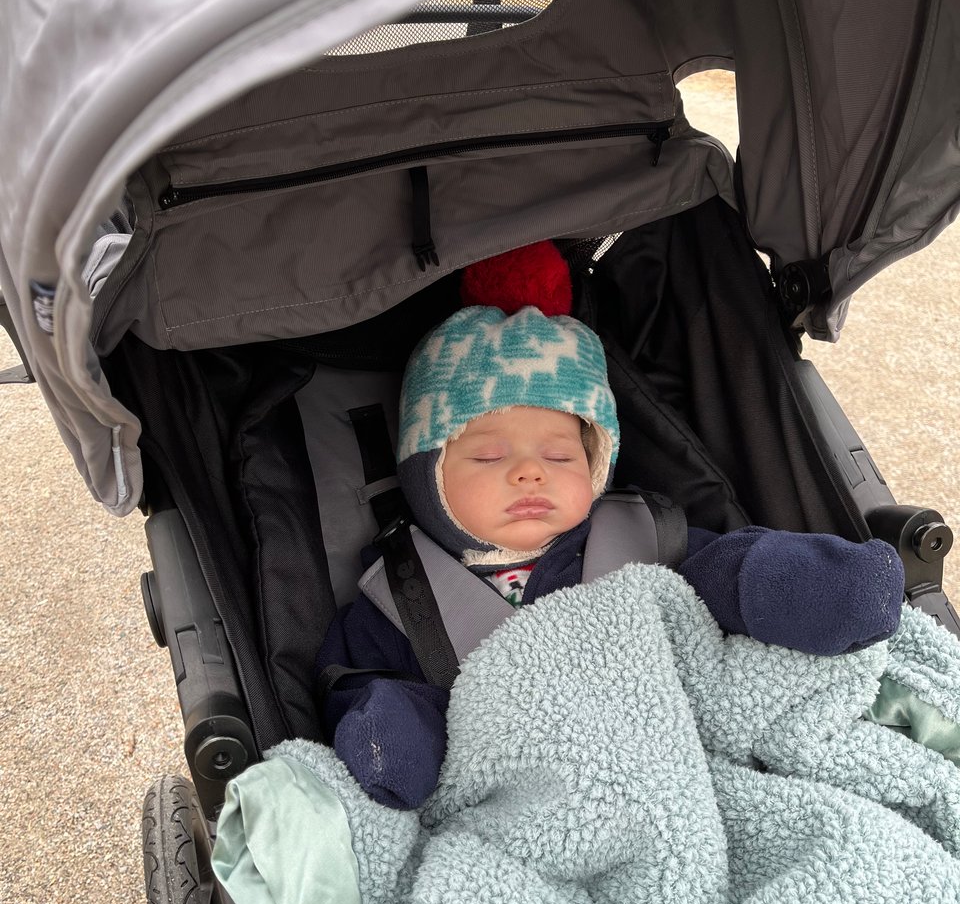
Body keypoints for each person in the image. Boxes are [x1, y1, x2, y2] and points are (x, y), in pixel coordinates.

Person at [318, 241, 905, 809]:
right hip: (520, 800)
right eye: (490, 457)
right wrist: (393, 736)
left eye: (560, 456)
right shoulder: (400, 592)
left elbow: (728, 575)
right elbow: (366, 686)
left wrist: (807, 586)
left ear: (598, 461)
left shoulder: (644, 536)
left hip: (675, 762)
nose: (530, 474)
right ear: (426, 472)